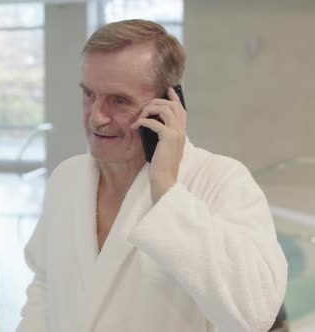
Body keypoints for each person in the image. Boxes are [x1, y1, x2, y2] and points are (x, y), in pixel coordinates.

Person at [16, 19, 288, 332]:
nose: (96, 117)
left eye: (119, 101)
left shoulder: (218, 180)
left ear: (168, 105)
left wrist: (167, 190)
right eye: (89, 94)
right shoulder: (68, 177)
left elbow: (256, 312)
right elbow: (45, 285)